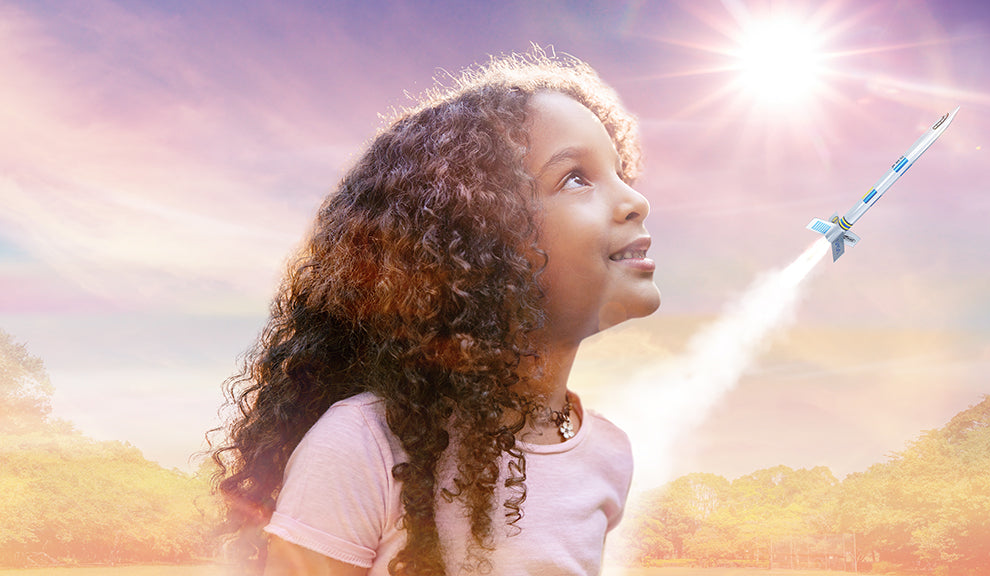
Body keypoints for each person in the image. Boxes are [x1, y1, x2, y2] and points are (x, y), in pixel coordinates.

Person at [211, 50, 661, 576]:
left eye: (619, 172)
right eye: (575, 178)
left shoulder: (608, 454)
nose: (635, 200)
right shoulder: (362, 444)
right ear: (481, 247)